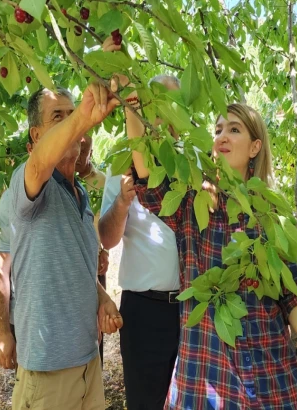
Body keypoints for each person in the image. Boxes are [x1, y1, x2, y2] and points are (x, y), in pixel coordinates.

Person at [127, 101, 297, 409]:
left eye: (234, 129)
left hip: (267, 374)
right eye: (217, 130)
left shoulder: (272, 216)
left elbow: (293, 298)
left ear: (255, 146)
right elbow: (146, 171)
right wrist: (129, 104)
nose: (222, 136)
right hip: (205, 375)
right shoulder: (193, 204)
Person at [8, 82, 123, 410]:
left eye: (72, 115)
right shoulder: (30, 182)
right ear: (35, 136)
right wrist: (83, 118)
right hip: (48, 373)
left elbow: (79, 271)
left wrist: (103, 300)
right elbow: (41, 162)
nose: (72, 123)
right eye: (57, 117)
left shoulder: (81, 196)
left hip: (88, 363)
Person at [98, 75, 181, 410]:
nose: (162, 115)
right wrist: (121, 203)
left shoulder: (195, 166)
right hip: (144, 310)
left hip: (192, 310)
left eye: (172, 105)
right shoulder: (120, 170)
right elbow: (107, 238)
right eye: (155, 104)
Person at [0, 134, 107, 371]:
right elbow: (0, 269)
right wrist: (3, 332)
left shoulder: (77, 194)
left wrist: (100, 301)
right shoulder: (16, 196)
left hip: (81, 343)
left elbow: (79, 265)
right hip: (38, 336)